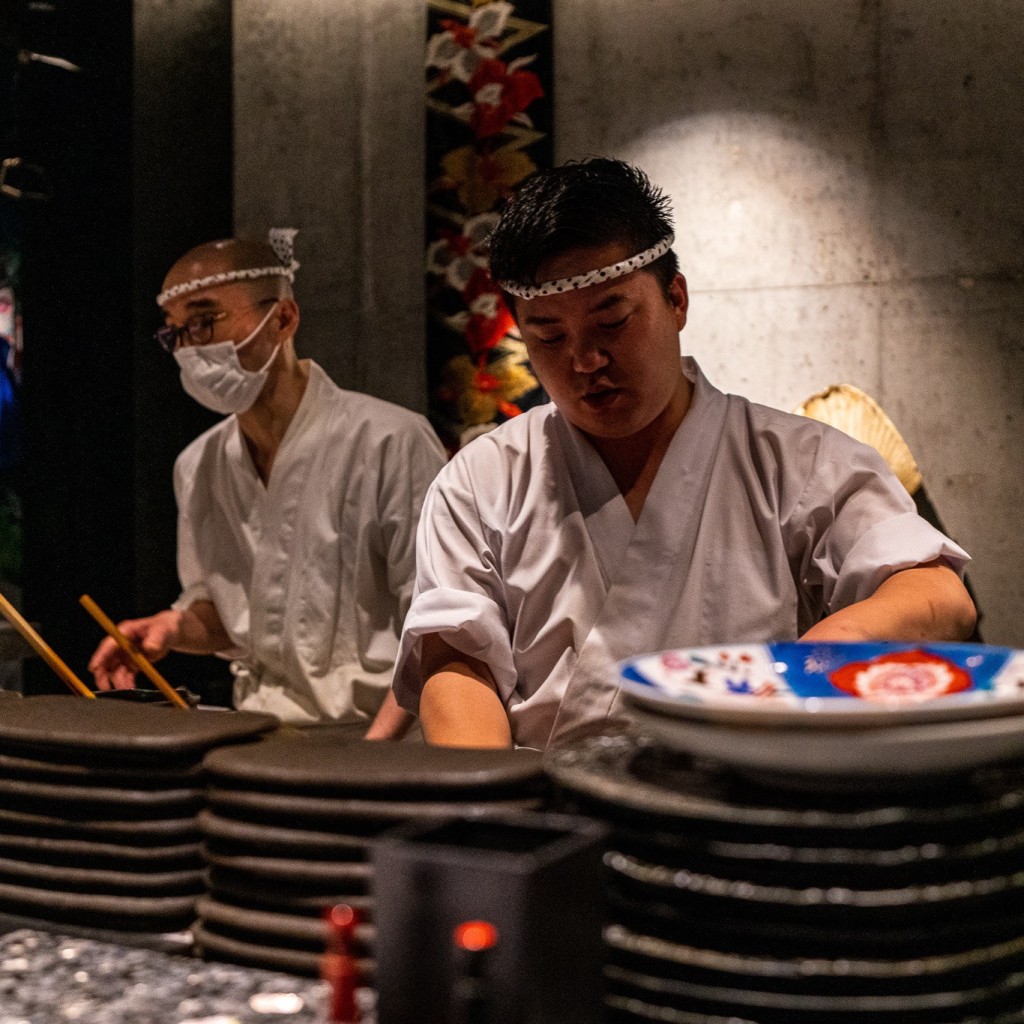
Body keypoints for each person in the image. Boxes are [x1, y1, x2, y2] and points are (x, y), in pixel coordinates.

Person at [388, 159, 977, 751]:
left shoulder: (801, 462)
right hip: (544, 808)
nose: (585, 360)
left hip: (747, 795)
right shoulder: (480, 480)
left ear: (676, 299)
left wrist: (808, 662)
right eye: (550, 338)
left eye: (612, 322)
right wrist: (492, 808)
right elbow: (457, 661)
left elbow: (939, 597)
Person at [89, 230, 446, 727]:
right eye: (175, 332)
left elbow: (440, 626)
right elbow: (230, 617)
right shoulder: (198, 465)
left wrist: (374, 753)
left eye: (204, 321)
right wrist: (171, 628)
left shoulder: (390, 440)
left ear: (282, 318)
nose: (189, 348)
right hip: (261, 731)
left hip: (381, 735)